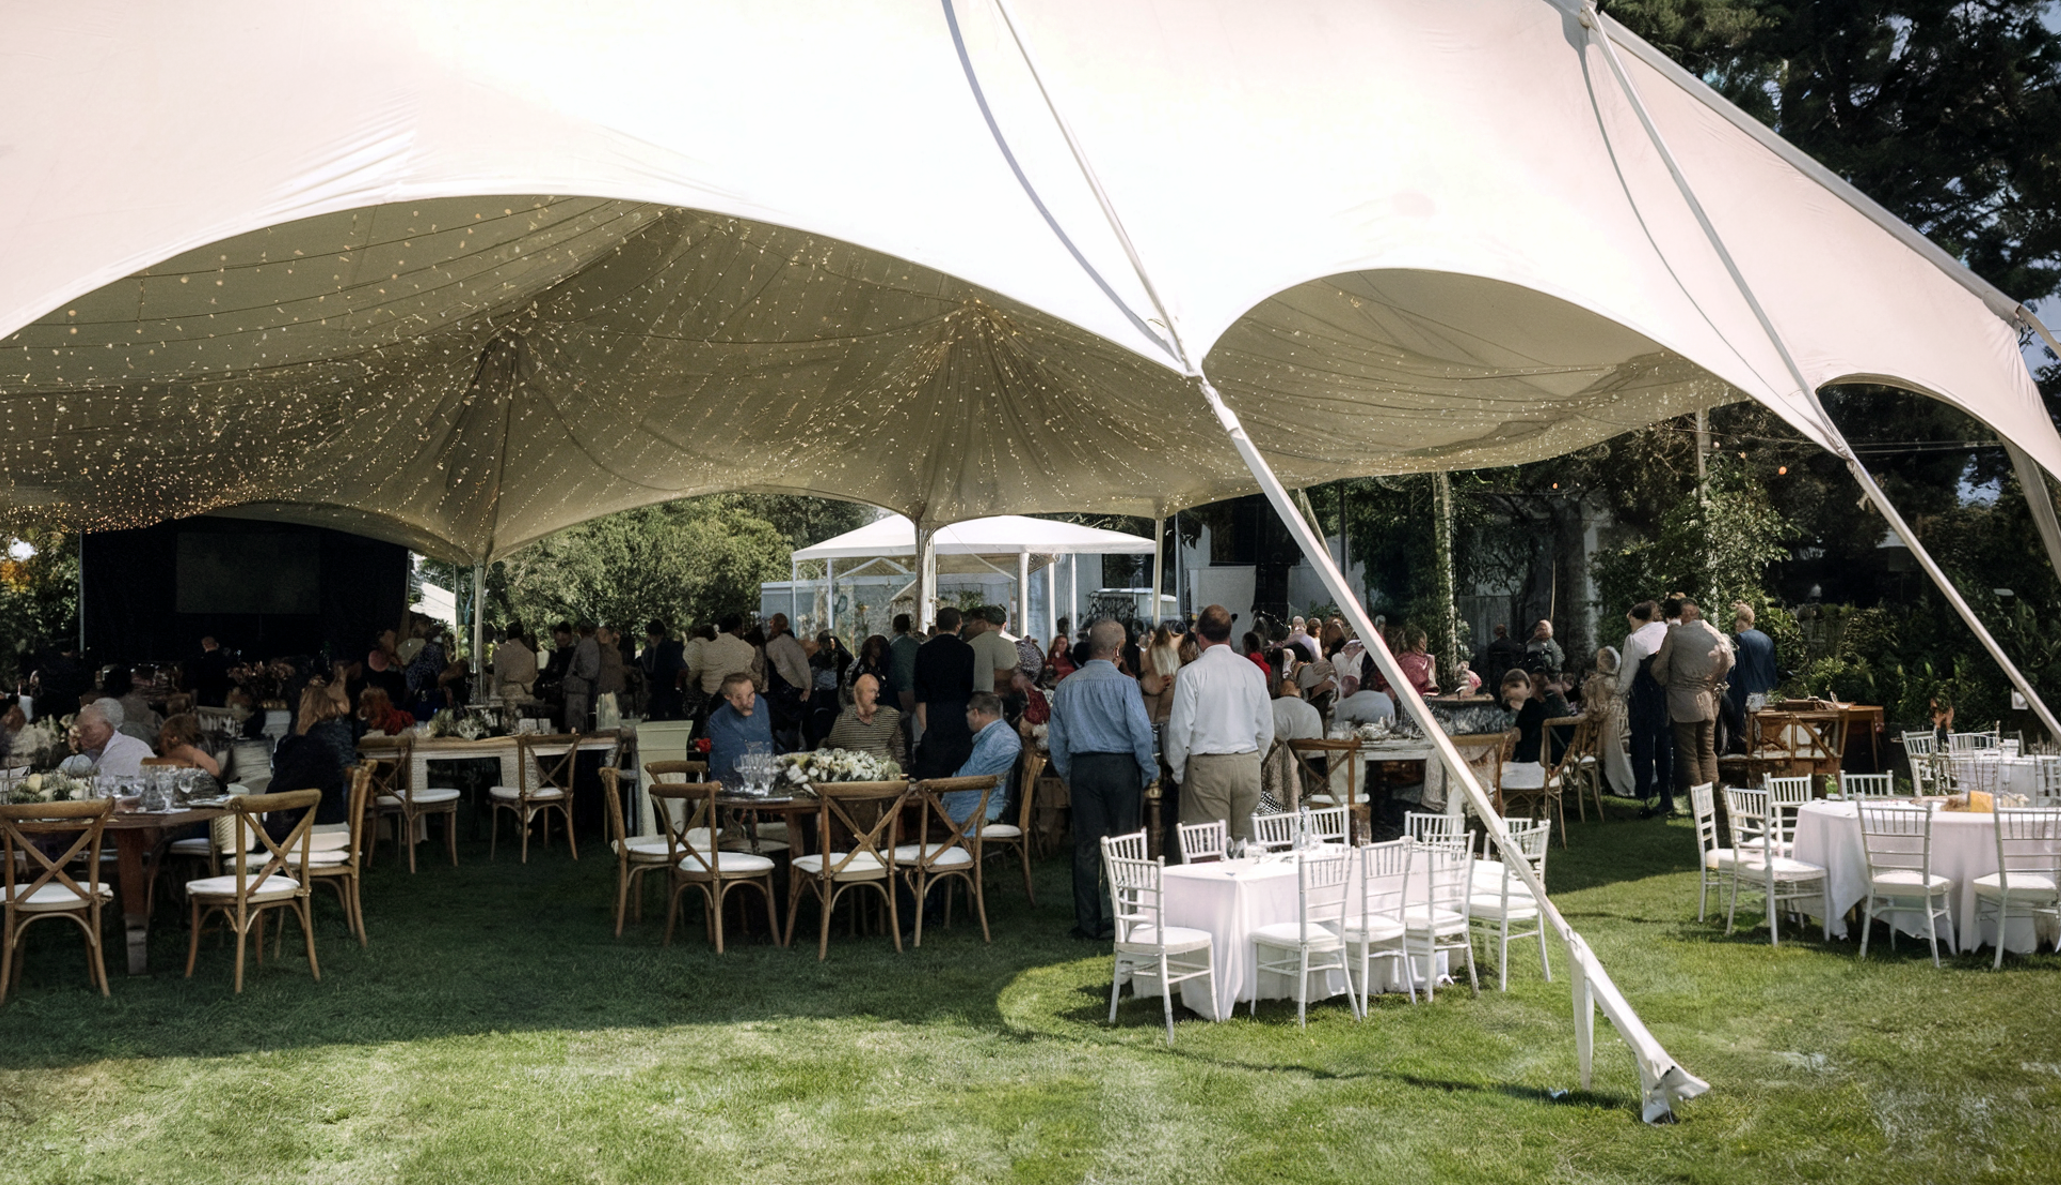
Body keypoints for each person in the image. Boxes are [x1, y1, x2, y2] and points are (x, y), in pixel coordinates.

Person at [1047, 618, 1158, 940]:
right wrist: (1148, 770)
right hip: (1121, 767)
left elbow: (1058, 739)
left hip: (1083, 767)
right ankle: (1122, 917)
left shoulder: (1067, 686)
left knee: (1085, 847)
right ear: (1118, 649)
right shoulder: (1125, 684)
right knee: (1125, 843)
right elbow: (1140, 733)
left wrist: (1069, 772)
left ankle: (1089, 922)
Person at [1164, 605, 1273, 842]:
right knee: (1247, 845)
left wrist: (1179, 770)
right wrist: (1255, 759)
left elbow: (1181, 729)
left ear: (1200, 637)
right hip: (1247, 762)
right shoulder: (1252, 671)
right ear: (1229, 633)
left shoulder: (1191, 674)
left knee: (1209, 846)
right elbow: (1266, 727)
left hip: (1207, 765)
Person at [1649, 599, 1734, 817]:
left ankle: (1701, 805)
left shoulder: (1676, 635)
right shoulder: (1715, 633)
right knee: (1707, 752)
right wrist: (1713, 681)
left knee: (1688, 755)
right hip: (1708, 700)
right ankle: (1716, 801)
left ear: (1686, 614)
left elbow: (1658, 668)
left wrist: (1669, 681)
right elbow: (1729, 661)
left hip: (1682, 700)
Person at [269, 685, 353, 823]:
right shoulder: (342, 729)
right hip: (338, 808)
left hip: (316, 819)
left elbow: (284, 789)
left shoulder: (309, 744)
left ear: (305, 709)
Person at [911, 607, 977, 778]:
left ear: (937, 626)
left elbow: (920, 694)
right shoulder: (967, 651)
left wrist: (924, 728)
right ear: (958, 625)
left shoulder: (923, 651)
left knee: (933, 771)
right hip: (959, 717)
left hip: (933, 716)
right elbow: (968, 686)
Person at [1620, 600, 1673, 814]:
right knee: (1664, 745)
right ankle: (1666, 791)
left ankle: (1644, 792)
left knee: (1642, 746)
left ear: (1638, 618)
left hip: (1643, 696)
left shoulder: (1634, 639)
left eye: (1631, 620)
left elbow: (1627, 673)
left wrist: (1618, 694)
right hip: (1666, 694)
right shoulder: (1667, 631)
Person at [946, 691, 1022, 827]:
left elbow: (979, 779)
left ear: (975, 713)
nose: (966, 717)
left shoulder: (1003, 739)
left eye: (968, 713)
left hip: (983, 811)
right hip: (974, 803)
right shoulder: (993, 737)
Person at [1725, 602, 1778, 754]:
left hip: (1744, 691)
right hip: (1763, 689)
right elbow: (1771, 667)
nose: (1736, 624)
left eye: (1738, 620)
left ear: (1744, 620)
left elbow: (1735, 666)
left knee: (1743, 730)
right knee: (1760, 729)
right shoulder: (1766, 639)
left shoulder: (1740, 638)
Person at [819, 673, 906, 765]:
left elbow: (899, 751)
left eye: (877, 692)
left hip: (885, 772)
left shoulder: (890, 716)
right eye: (872, 691)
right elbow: (832, 750)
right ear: (859, 693)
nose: (876, 696)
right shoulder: (844, 719)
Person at [706, 672, 774, 786]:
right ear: (728, 697)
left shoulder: (761, 704)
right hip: (731, 783)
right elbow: (726, 761)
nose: (748, 700)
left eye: (751, 693)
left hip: (764, 779)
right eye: (739, 696)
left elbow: (767, 744)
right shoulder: (718, 719)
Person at [1587, 647, 1634, 797]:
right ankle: (1619, 782)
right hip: (1617, 717)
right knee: (1617, 752)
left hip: (1608, 721)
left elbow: (1594, 705)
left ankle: (1611, 783)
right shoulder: (1614, 680)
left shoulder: (1598, 681)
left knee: (1610, 752)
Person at [762, 613, 811, 749]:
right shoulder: (789, 639)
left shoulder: (769, 641)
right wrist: (807, 687)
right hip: (791, 690)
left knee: (777, 728)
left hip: (775, 689)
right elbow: (799, 665)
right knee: (792, 729)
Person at [73, 699, 154, 777]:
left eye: (87, 729)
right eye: (79, 729)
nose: (80, 735)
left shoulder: (130, 750)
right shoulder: (90, 752)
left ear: (108, 726)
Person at [968, 605, 1020, 697]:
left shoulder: (971, 645)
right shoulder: (1010, 645)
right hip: (1003, 698)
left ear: (986, 623)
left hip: (975, 697)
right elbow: (1014, 671)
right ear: (1004, 624)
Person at [1500, 670, 1549, 766]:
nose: (1512, 690)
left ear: (1528, 689)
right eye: (1508, 687)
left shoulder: (1535, 708)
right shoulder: (1501, 712)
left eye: (1516, 686)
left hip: (1531, 762)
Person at [154, 712, 222, 778]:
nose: (160, 743)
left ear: (173, 739)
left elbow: (215, 770)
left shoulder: (191, 753)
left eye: (163, 738)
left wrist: (190, 753)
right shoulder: (162, 756)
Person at [563, 624, 601, 731]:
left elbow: (589, 670)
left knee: (577, 720)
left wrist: (578, 673)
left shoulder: (587, 644)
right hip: (580, 686)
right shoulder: (589, 644)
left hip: (579, 687)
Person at [886, 614, 923, 720]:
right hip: (916, 689)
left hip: (897, 690)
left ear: (894, 626)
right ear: (909, 626)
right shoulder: (916, 645)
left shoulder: (891, 645)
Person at [1271, 677, 1324, 742]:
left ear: (1281, 691)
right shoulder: (1313, 710)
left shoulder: (1271, 705)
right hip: (1311, 750)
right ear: (1299, 691)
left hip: (1278, 749)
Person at [494, 624, 539, 701]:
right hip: (527, 696)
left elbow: (498, 675)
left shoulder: (500, 651)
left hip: (507, 694)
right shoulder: (530, 653)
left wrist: (497, 690)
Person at [187, 636, 233, 708]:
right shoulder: (225, 660)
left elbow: (194, 681)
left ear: (204, 645)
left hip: (204, 697)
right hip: (221, 696)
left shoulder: (200, 661)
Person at [1395, 628, 1439, 696]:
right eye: (1422, 643)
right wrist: (1431, 665)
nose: (1424, 646)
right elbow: (1430, 687)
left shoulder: (1400, 659)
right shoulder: (1413, 663)